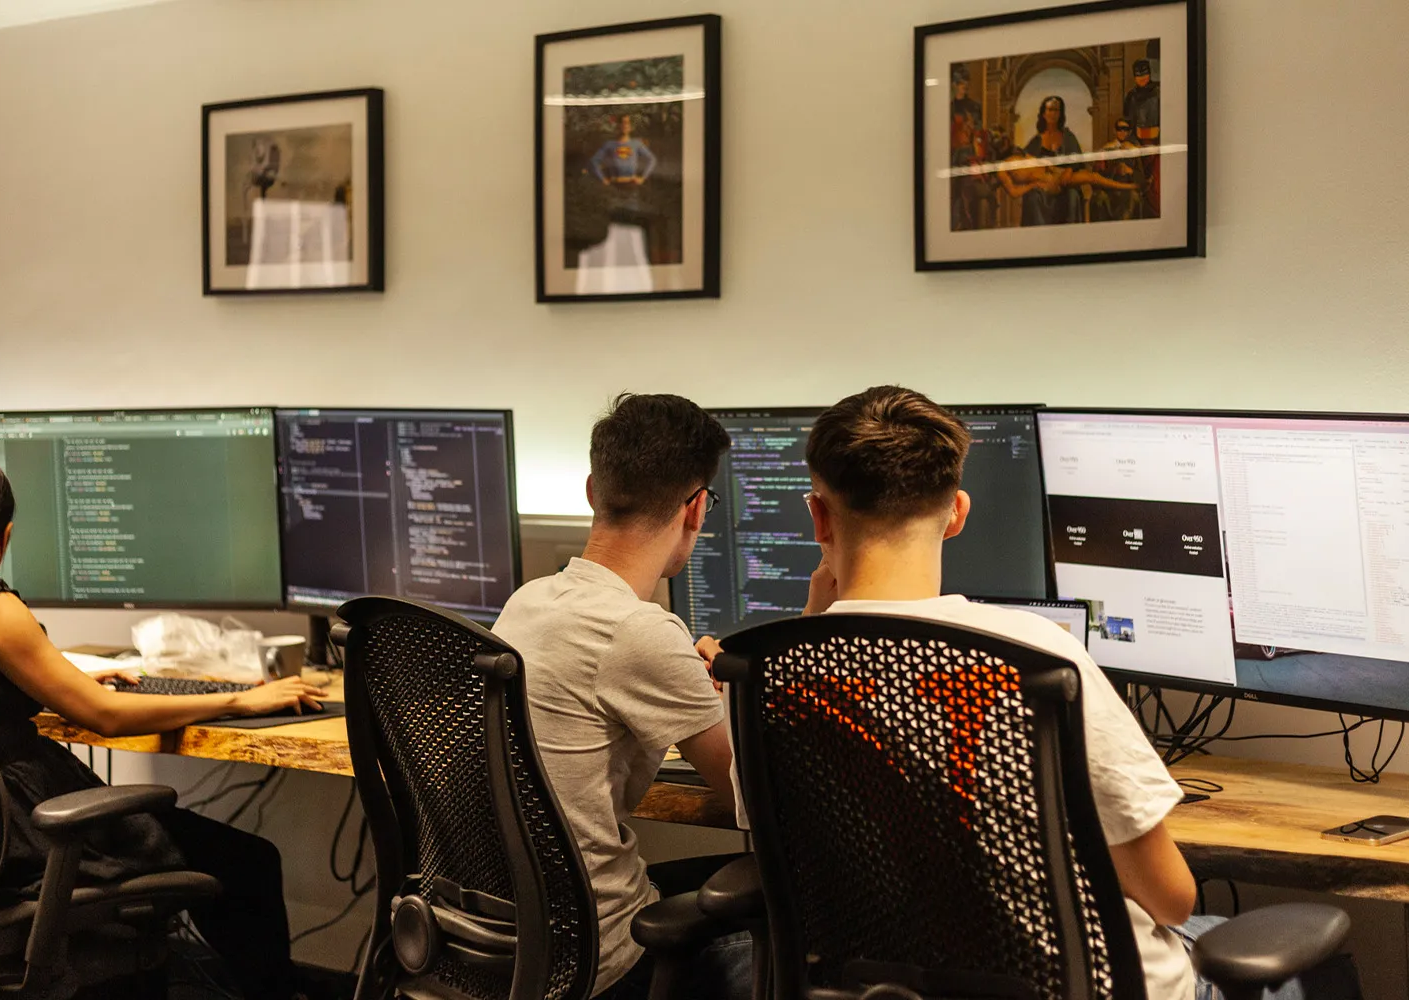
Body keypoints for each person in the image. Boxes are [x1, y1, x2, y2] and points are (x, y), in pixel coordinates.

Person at [791, 387, 1362, 1000]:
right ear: (957, 513)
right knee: (1300, 965)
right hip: (1087, 984)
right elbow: (1171, 899)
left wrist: (808, 624)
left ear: (819, 516)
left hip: (889, 984)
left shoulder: (770, 675)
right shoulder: (1033, 657)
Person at [0, 452, 327, 1000]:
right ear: (4, 536)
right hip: (28, 838)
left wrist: (56, 667)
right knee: (248, 861)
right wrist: (244, 699)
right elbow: (105, 715)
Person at [492, 394, 747, 1000]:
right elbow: (750, 797)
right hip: (597, 954)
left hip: (511, 931)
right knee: (796, 901)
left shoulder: (527, 600)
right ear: (695, 509)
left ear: (590, 490)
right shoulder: (639, 630)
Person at [1021, 95, 1085, 226]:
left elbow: (1078, 161)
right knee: (1032, 195)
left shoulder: (1068, 136)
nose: (1053, 113)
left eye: (1056, 110)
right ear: (1043, 113)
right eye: (1049, 110)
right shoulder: (1036, 141)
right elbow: (1026, 161)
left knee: (1073, 195)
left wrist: (1069, 170)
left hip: (1065, 184)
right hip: (1044, 185)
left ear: (1060, 113)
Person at [1123, 59, 1162, 217]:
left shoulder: (1158, 91)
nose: (1143, 78)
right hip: (1138, 143)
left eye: (1145, 74)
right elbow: (1128, 122)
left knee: (1156, 182)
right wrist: (1133, 144)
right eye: (1139, 76)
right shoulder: (1131, 97)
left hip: (1157, 141)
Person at [1093, 117, 1144, 222]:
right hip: (1110, 189)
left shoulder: (1134, 150)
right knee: (1100, 198)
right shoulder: (1106, 148)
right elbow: (1097, 174)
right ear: (1114, 130)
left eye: (1125, 129)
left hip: (1128, 189)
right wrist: (1113, 169)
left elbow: (1141, 177)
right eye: (1119, 129)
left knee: (1132, 198)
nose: (1122, 132)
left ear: (1129, 132)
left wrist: (1130, 171)